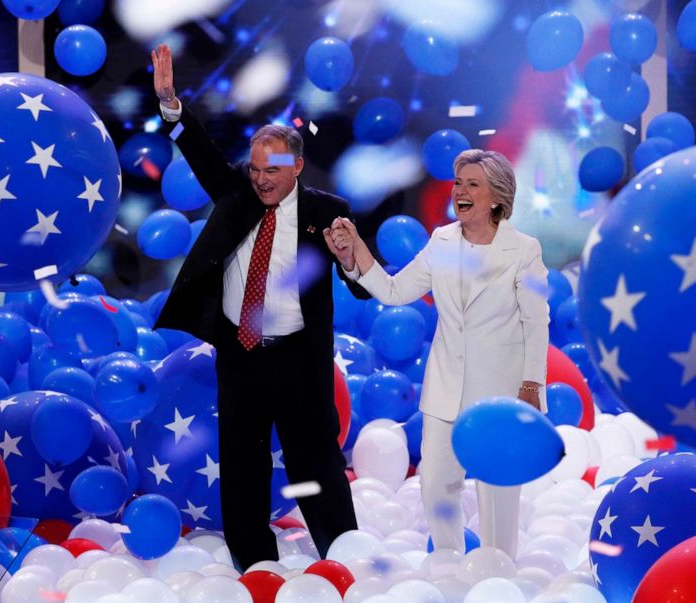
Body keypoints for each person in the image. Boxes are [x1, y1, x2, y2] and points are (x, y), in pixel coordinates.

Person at [149, 44, 368, 571]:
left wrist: (352, 258)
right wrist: (170, 103)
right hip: (240, 355)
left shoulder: (327, 212)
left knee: (315, 461)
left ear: (296, 165)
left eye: (273, 170)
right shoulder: (236, 196)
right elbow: (200, 151)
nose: (262, 179)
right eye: (255, 170)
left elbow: (361, 285)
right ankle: (253, 567)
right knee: (242, 465)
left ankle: (344, 560)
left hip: (298, 359)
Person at [324, 149, 549, 558]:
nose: (460, 191)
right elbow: (395, 292)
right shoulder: (441, 240)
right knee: (438, 485)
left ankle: (499, 573)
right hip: (445, 389)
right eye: (458, 183)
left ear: (497, 197)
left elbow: (536, 321)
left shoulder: (524, 250)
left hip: (500, 395)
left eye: (472, 184)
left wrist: (532, 384)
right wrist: (353, 254)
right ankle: (449, 566)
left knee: (498, 491)